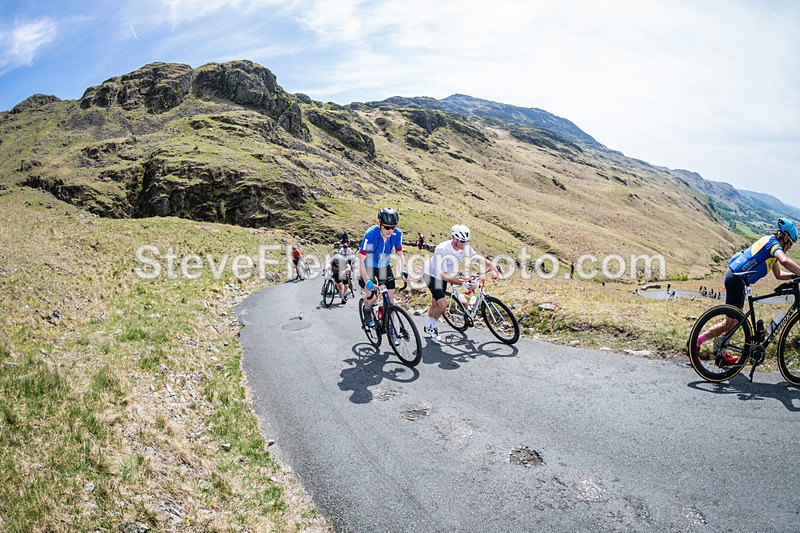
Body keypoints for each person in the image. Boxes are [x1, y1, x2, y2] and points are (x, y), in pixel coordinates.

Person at [697, 218, 800, 363]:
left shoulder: (771, 245)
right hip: (737, 279)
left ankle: (720, 351)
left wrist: (795, 275)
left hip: (737, 278)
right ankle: (696, 343)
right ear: (785, 238)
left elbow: (778, 275)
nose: (789, 248)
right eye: (791, 244)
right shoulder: (773, 245)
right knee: (729, 323)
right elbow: (784, 261)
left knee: (731, 322)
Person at [420, 224, 501, 342]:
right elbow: (442, 275)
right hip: (432, 274)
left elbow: (477, 258)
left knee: (435, 302)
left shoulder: (464, 247)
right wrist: (462, 282)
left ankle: (428, 325)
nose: (465, 244)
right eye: (462, 241)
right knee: (442, 304)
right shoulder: (442, 249)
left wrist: (492, 265)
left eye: (467, 241)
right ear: (454, 239)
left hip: (445, 274)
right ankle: (433, 326)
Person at [358, 208, 407, 328]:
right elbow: (360, 259)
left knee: (390, 300)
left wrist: (402, 271)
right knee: (373, 297)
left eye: (393, 227)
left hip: (384, 266)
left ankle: (390, 325)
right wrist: (367, 280)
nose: (390, 231)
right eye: (387, 227)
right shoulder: (371, 234)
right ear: (379, 223)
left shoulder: (397, 234)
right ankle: (367, 310)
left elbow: (399, 254)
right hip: (368, 265)